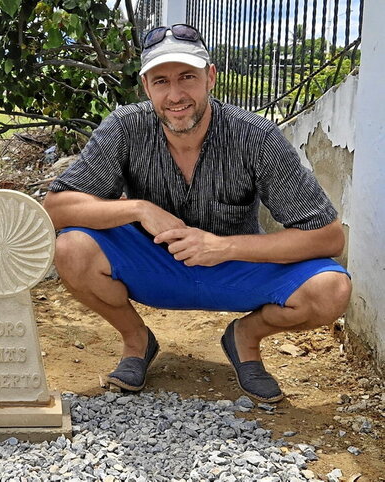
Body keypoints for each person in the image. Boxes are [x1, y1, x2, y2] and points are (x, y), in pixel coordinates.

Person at [43, 24, 351, 403]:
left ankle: (245, 339)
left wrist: (222, 247)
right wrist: (139, 208)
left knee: (331, 290)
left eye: (187, 77)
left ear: (210, 77)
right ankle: (137, 341)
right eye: (161, 81)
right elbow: (56, 208)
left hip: (235, 271)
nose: (175, 95)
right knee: (71, 248)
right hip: (156, 267)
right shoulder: (126, 126)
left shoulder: (256, 136)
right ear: (146, 87)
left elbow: (328, 236)